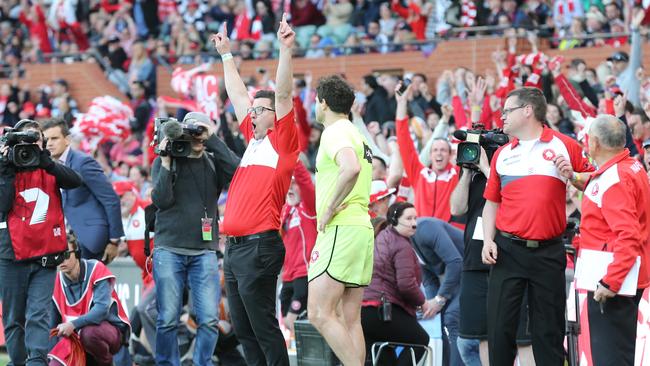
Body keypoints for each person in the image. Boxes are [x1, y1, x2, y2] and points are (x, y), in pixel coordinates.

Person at [210, 14, 299, 366]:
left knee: (262, 326)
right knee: (245, 329)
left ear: (273, 115)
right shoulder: (255, 140)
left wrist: (285, 50)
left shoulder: (283, 142)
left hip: (258, 246)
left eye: (258, 110)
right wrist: (226, 55)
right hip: (234, 250)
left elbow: (284, 92)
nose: (251, 112)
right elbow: (235, 93)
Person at [481, 87, 593, 365]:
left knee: (549, 331)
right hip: (507, 250)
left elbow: (593, 184)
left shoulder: (564, 144)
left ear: (527, 110)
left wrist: (574, 175)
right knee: (499, 328)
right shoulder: (502, 154)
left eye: (507, 110)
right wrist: (487, 240)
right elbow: (491, 203)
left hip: (548, 251)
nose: (502, 117)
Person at [150, 111, 239, 366]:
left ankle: (203, 363)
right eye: (193, 131)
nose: (197, 136)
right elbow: (162, 201)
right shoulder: (167, 159)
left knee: (209, 319)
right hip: (169, 247)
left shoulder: (212, 161)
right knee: (167, 317)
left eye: (202, 131)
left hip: (204, 251)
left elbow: (237, 171)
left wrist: (213, 139)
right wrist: (166, 164)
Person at [0, 119, 82, 366]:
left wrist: (46, 160)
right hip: (10, 254)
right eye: (23, 140)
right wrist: (5, 167)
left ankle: (36, 362)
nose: (28, 146)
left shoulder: (50, 167)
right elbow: (2, 207)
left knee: (38, 315)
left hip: (45, 254)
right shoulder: (5, 168)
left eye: (34, 139)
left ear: (43, 142)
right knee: (14, 318)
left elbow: (75, 181)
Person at [307, 75, 374, 366]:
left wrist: (330, 207)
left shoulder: (335, 132)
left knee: (319, 313)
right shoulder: (357, 133)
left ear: (323, 102)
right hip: (360, 226)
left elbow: (350, 167)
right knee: (350, 320)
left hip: (341, 227)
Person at [579, 115, 650, 366]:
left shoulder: (614, 178)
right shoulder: (631, 166)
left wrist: (610, 282)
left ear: (595, 143)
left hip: (613, 281)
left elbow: (627, 234)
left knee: (611, 357)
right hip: (624, 275)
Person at [42, 119, 124, 262]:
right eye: (46, 139)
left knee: (91, 283)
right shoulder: (48, 166)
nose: (49, 143)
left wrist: (114, 241)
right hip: (63, 240)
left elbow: (111, 199)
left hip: (90, 239)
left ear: (67, 140)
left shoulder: (83, 162)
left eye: (54, 138)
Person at [48, 231, 131, 366]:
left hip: (107, 333)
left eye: (66, 254)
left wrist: (73, 324)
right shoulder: (55, 282)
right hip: (75, 338)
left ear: (78, 253)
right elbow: (53, 327)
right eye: (56, 255)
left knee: (89, 333)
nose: (61, 260)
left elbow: (101, 310)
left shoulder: (96, 269)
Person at [361, 202, 429, 366]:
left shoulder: (381, 237)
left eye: (415, 218)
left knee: (384, 358)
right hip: (382, 311)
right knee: (420, 339)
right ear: (394, 219)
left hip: (363, 312)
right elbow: (406, 284)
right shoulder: (401, 244)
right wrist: (423, 302)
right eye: (408, 218)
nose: (414, 223)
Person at [395, 82, 459, 223]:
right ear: (430, 155)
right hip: (420, 233)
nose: (439, 153)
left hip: (447, 234)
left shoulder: (456, 175)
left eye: (443, 150)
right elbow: (404, 142)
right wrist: (401, 104)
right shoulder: (419, 173)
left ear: (450, 155)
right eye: (435, 150)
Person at [409, 217, 464, 366]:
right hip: (461, 272)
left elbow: (455, 262)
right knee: (440, 321)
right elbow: (429, 279)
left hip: (477, 268)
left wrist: (440, 299)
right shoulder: (408, 243)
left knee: (452, 317)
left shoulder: (425, 228)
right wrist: (430, 305)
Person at [279, 161, 317, 333]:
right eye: (288, 184)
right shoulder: (285, 211)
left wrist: (294, 158)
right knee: (287, 321)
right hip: (287, 276)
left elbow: (306, 183)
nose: (290, 188)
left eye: (294, 184)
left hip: (305, 273)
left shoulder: (309, 208)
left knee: (294, 319)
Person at [113, 180, 153, 287]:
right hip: (143, 274)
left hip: (157, 272)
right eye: (116, 198)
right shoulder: (117, 216)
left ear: (131, 194)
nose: (119, 201)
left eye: (121, 196)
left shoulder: (147, 208)